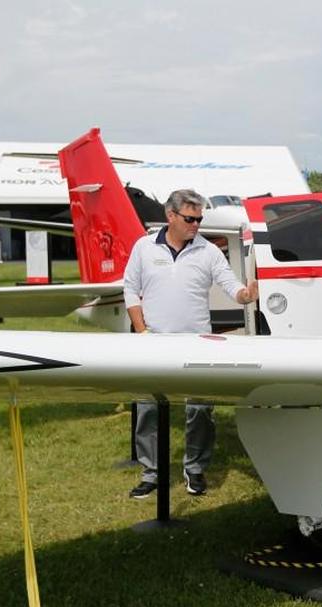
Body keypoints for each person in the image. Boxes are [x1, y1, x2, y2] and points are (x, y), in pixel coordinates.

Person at [122, 189, 258, 498]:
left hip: (198, 343)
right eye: (190, 219)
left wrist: (245, 295)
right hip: (154, 341)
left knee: (199, 410)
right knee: (148, 410)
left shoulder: (208, 251)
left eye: (199, 219)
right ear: (171, 216)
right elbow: (130, 288)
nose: (196, 225)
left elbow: (229, 282)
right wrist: (142, 331)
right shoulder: (144, 247)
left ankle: (194, 469)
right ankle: (151, 473)